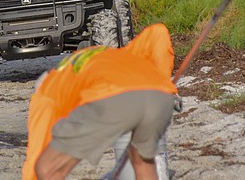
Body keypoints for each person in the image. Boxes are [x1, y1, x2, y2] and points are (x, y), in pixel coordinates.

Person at [22, 23, 179, 180]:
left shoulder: (47, 89)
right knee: (142, 164)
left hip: (110, 97)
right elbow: (157, 33)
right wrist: (164, 82)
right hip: (158, 95)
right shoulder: (116, 54)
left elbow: (37, 148)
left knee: (46, 169)